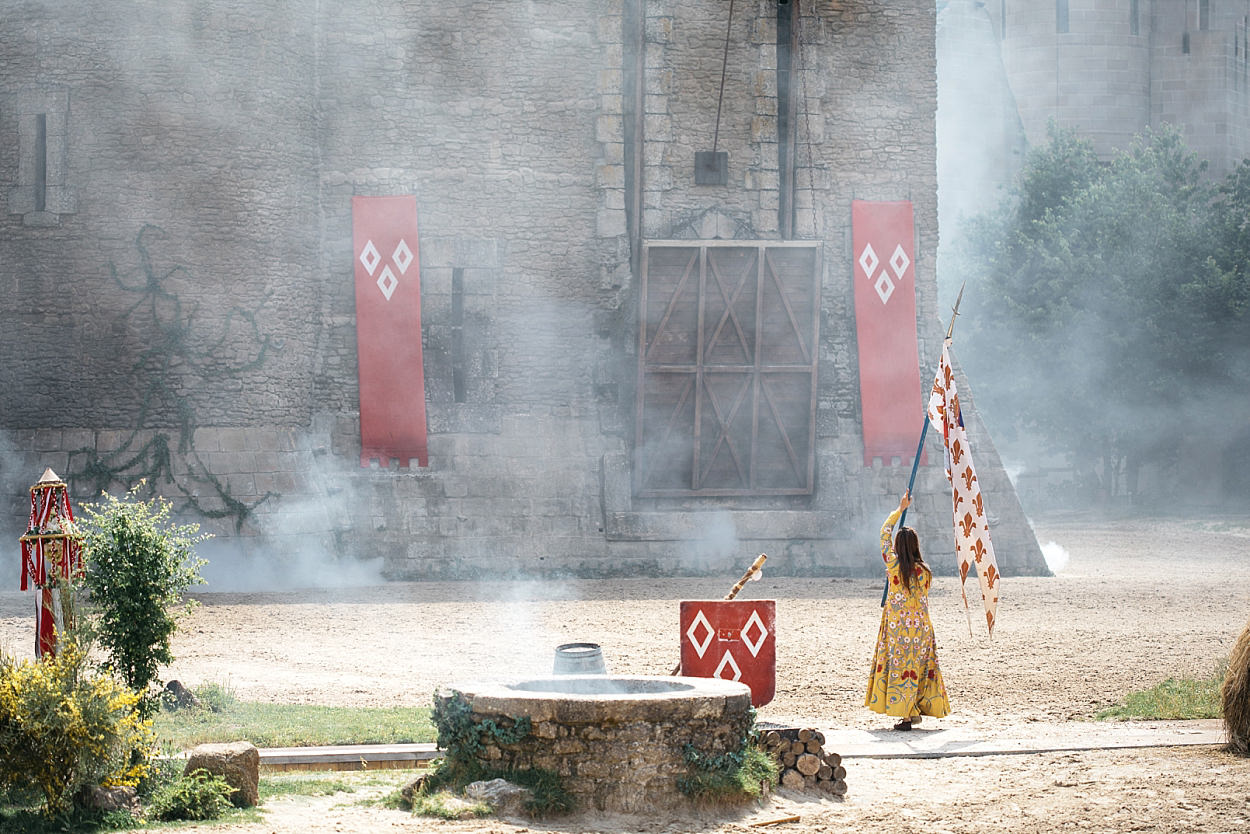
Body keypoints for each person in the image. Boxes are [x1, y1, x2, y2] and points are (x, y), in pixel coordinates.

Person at [864, 490, 950, 730]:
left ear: (897, 547)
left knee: (901, 668)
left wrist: (899, 510)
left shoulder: (893, 566)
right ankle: (914, 710)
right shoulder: (925, 571)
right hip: (921, 626)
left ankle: (907, 715)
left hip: (897, 626)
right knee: (918, 667)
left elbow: (883, 533)